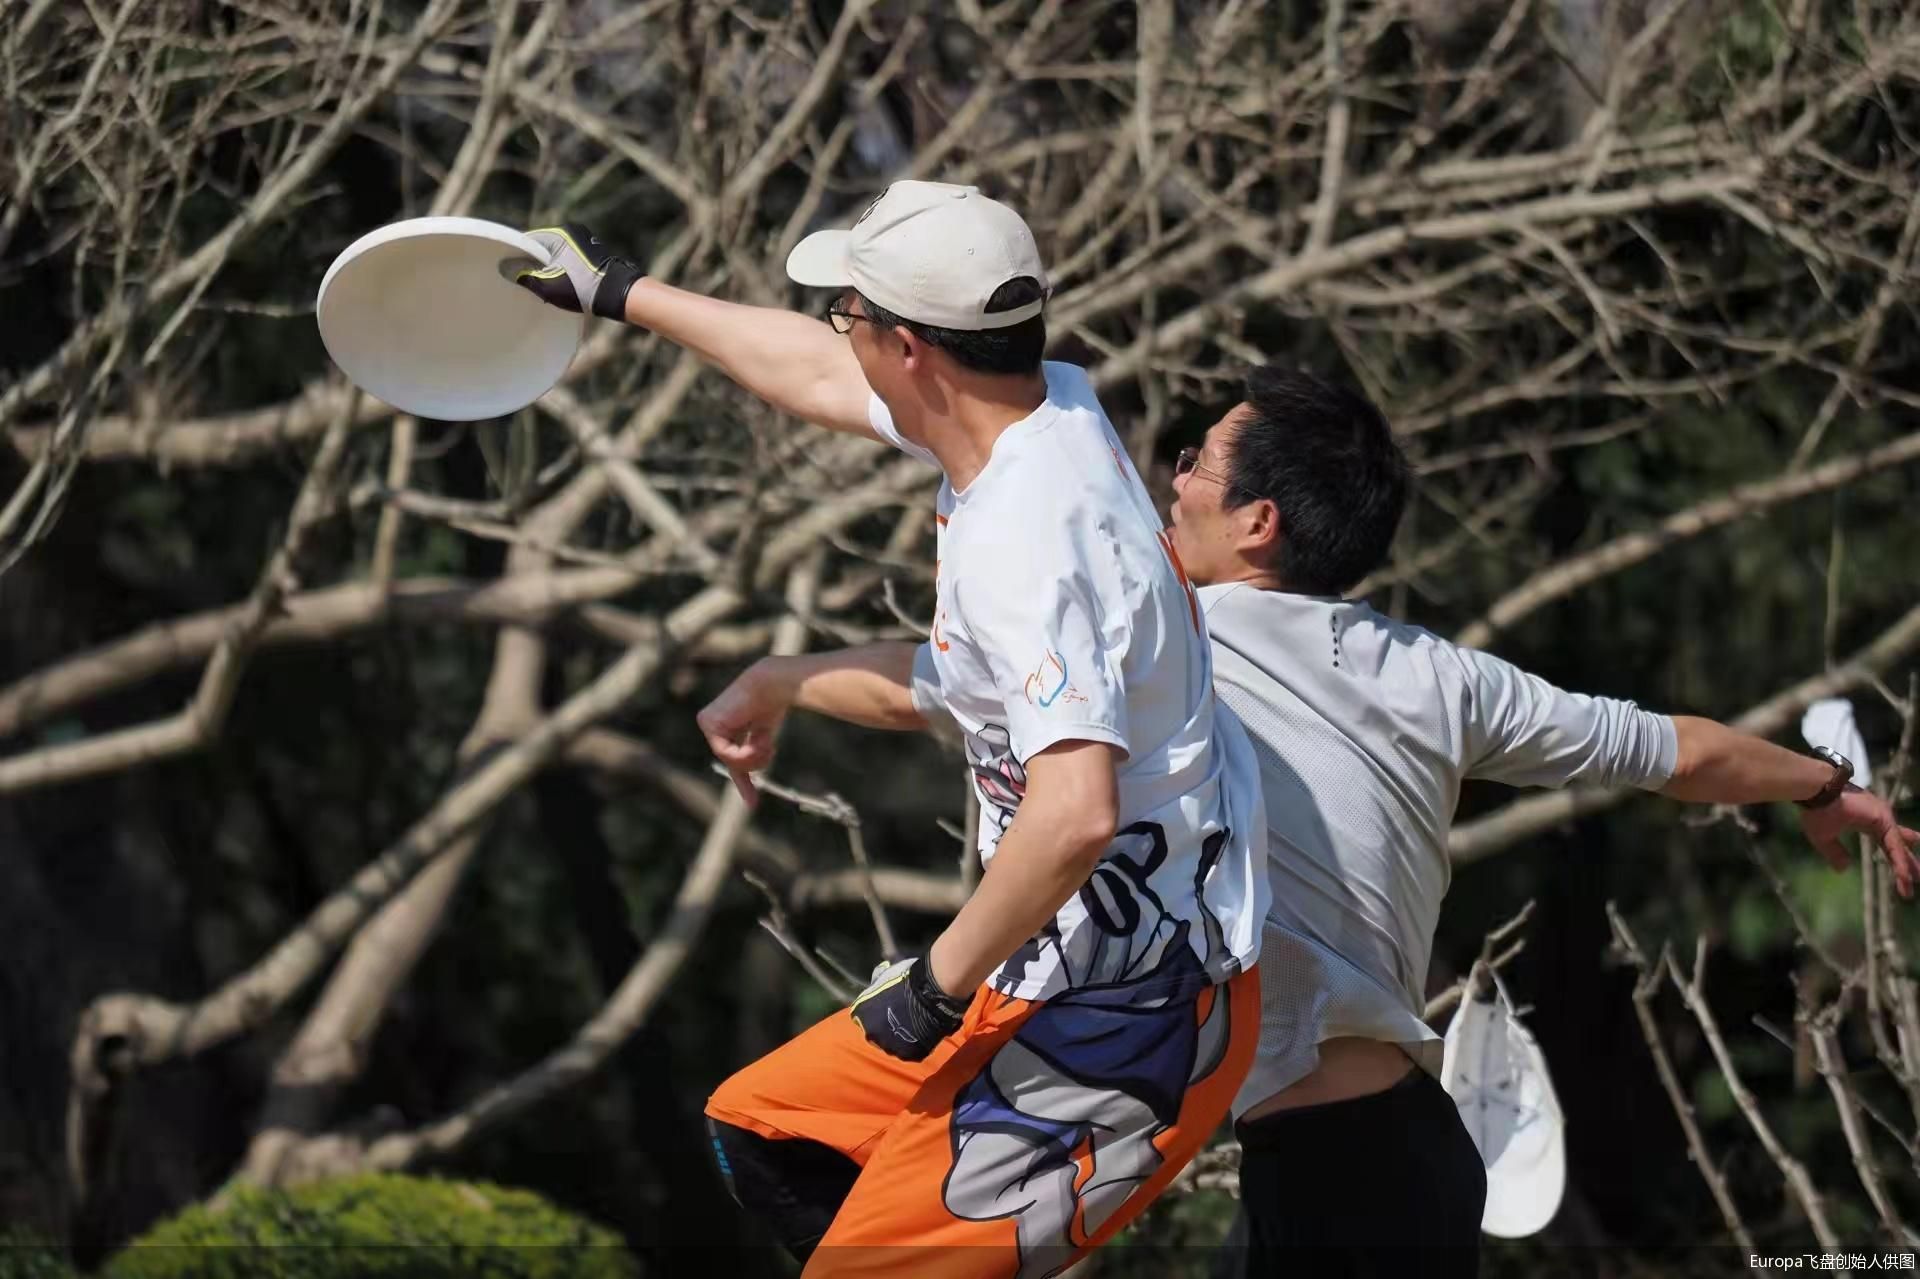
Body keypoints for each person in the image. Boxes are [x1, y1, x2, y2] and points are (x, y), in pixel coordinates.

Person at [513, 182, 1271, 1278]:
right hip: (1049, 964)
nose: (838, 336)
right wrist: (618, 292)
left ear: (910, 349)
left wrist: (931, 991)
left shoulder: (1030, 539)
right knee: (768, 1129)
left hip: (1132, 1014)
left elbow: (1074, 815)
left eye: (849, 315)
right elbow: (821, 376)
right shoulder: (1041, 406)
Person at [1155, 363, 1920, 1278]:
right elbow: (1670, 750)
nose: (1174, 479)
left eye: (1195, 461)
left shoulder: (1179, 638)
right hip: (1377, 1159)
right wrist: (1822, 785)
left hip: (1346, 1182)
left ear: (1258, 520)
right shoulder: (1438, 674)